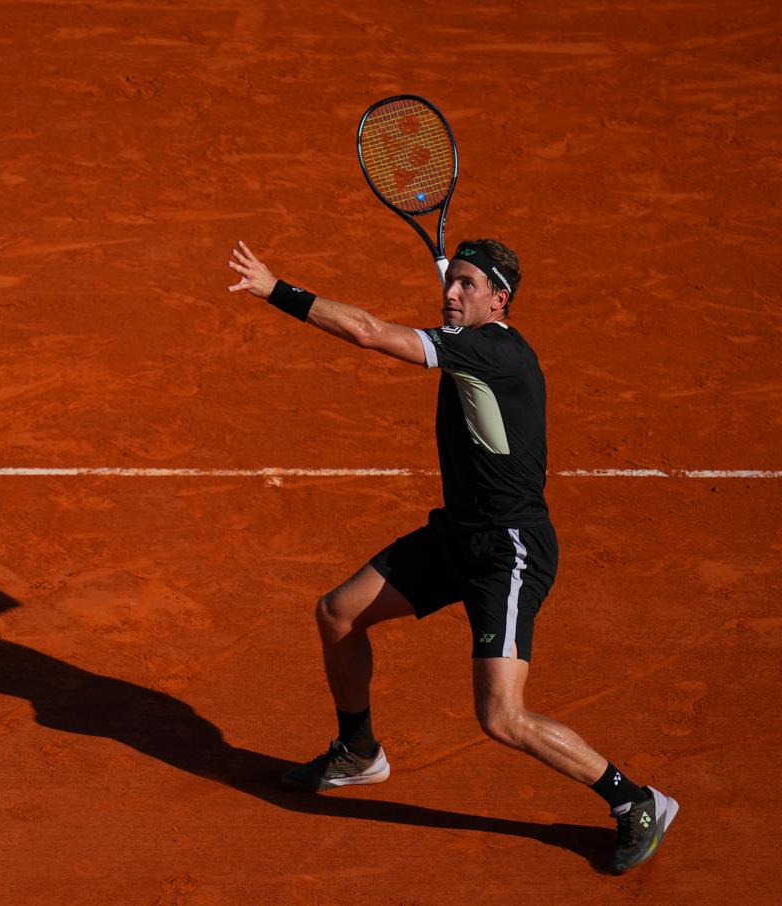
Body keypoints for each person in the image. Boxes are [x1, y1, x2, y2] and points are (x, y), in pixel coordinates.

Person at [225, 238, 677, 874]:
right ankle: (358, 752)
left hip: (509, 550)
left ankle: (635, 801)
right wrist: (460, 303)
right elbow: (439, 327)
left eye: (469, 285)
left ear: (501, 301)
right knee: (337, 613)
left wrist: (277, 290)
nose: (452, 293)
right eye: (451, 282)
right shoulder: (473, 337)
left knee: (501, 716)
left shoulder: (491, 351)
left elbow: (367, 331)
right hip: (459, 535)